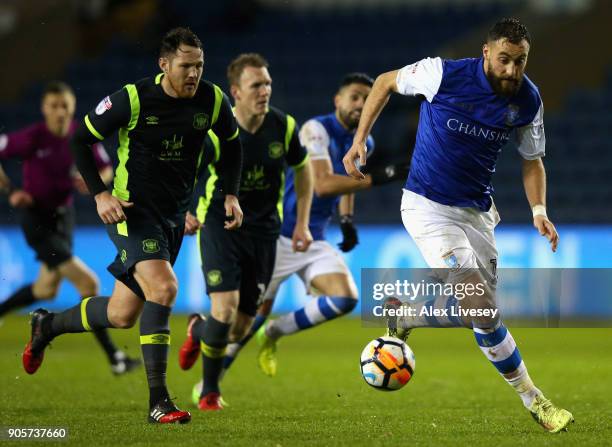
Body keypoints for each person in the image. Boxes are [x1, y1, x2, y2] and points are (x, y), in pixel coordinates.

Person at [342, 18, 573, 433]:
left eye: (520, 62)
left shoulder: (527, 100)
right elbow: (384, 82)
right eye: (504, 59)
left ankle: (408, 316)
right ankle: (535, 401)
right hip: (427, 207)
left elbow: (531, 159)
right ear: (486, 52)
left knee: (479, 315)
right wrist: (359, 139)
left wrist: (538, 209)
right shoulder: (442, 73)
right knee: (481, 306)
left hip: (477, 214)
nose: (511, 70)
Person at [21, 27, 243, 424]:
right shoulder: (133, 98)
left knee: (123, 314)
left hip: (172, 217)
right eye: (185, 66)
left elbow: (232, 144)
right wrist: (100, 195)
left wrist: (230, 194)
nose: (194, 73)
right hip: (131, 213)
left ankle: (47, 325)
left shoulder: (212, 100)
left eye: (199, 66)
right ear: (164, 64)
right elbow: (81, 140)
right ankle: (159, 401)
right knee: (165, 287)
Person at [217, 72, 410, 380]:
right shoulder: (315, 130)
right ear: (338, 100)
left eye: (367, 98)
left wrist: (346, 219)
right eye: (355, 97)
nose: (361, 104)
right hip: (278, 234)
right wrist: (380, 177)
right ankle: (210, 384)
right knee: (242, 325)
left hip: (313, 236)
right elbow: (321, 185)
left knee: (345, 298)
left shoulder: (365, 141)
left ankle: (275, 331)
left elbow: (350, 180)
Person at [177, 53, 313, 410]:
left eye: (267, 83)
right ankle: (209, 391)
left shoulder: (283, 127)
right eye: (257, 85)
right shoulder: (218, 134)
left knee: (238, 328)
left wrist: (300, 223)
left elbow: (303, 169)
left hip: (265, 234)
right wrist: (185, 211)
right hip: (220, 229)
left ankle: (197, 330)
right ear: (235, 92)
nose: (265, 90)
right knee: (224, 309)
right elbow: (185, 173)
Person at [0, 81, 140, 374]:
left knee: (45, 288)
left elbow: (104, 166)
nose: (60, 112)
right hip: (35, 218)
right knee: (88, 284)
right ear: (44, 109)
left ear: (72, 107)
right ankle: (115, 358)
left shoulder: (80, 135)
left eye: (65, 105)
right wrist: (11, 189)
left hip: (64, 218)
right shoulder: (32, 137)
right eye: (54, 106)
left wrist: (91, 180)